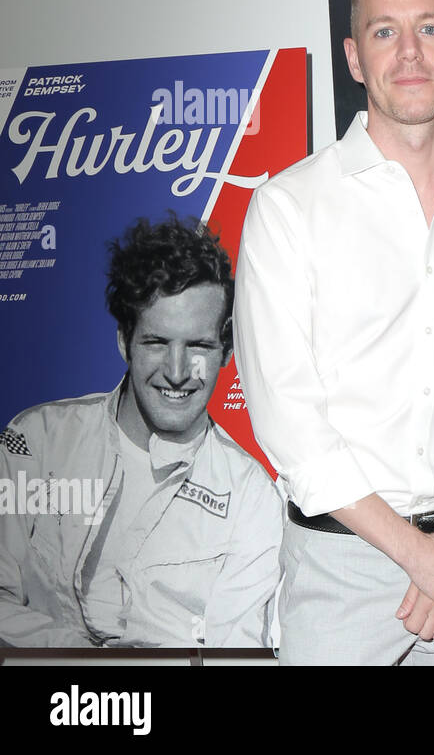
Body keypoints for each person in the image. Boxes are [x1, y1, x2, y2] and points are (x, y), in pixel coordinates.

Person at [233, 0, 434, 665]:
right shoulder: (288, 208)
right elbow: (288, 420)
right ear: (354, 56)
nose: (408, 52)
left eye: (429, 28)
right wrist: (415, 554)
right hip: (340, 570)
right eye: (384, 31)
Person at [0, 216, 282, 648]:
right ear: (123, 341)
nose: (176, 372)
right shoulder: (35, 442)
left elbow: (236, 656)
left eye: (199, 346)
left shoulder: (251, 498)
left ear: (226, 352)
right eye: (156, 343)